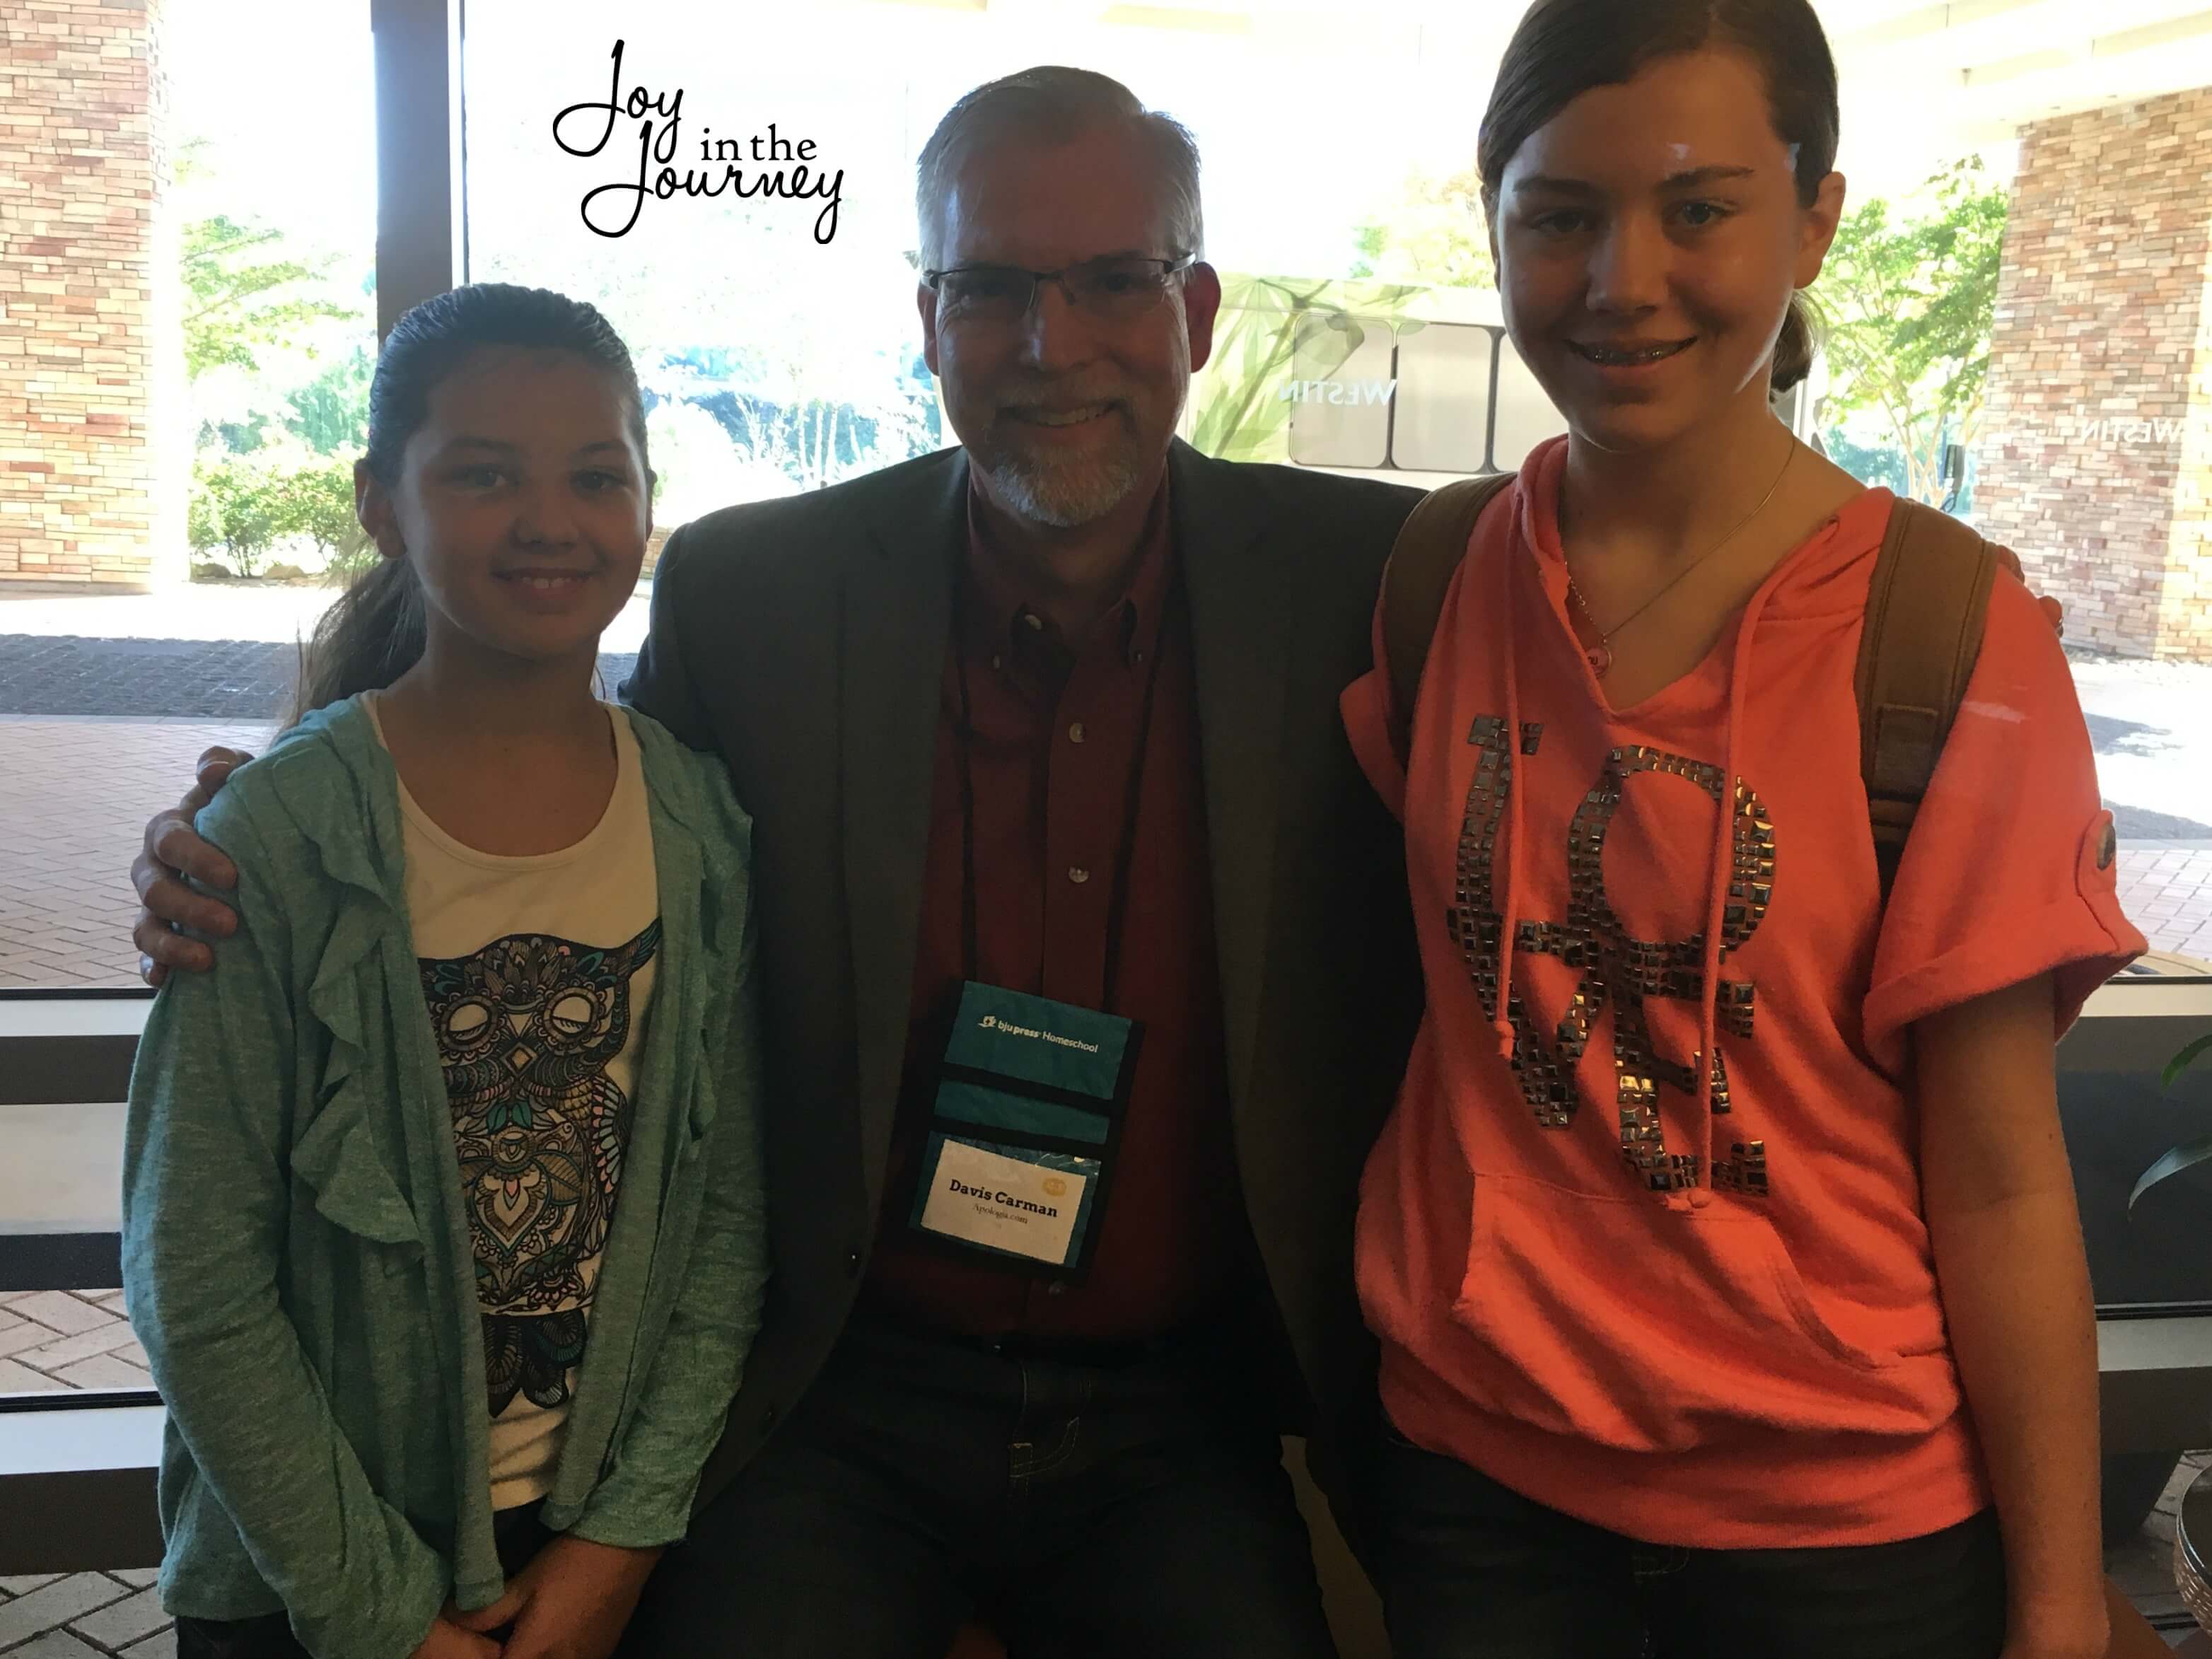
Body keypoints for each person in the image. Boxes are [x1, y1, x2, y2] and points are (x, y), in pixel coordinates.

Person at [132, 71, 1425, 1659]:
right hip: (838, 1393)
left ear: (1197, 309)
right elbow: (540, 781)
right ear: (927, 315)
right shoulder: (764, 596)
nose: (1050, 342)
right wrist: (252, 813)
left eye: (1112, 281)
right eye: (995, 287)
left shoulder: (1366, 585)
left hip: (1180, 1410)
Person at [1335, 3, 2149, 1656]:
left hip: (1837, 1531)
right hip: (1478, 1484)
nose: (1621, 280)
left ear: (1815, 218)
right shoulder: (1439, 581)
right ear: (1493, 220)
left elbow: (1998, 1178)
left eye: (1697, 208)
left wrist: (2060, 1600)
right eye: (1561, 214)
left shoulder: (1941, 636)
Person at [122, 284, 769, 1659]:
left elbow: (721, 1222)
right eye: (482, 475)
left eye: (596, 476)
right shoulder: (277, 841)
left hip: (586, 1550)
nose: (548, 519)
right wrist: (377, 1612)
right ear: (380, 503)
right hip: (312, 1570)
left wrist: (625, 1535)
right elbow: (195, 1273)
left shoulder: (699, 824)